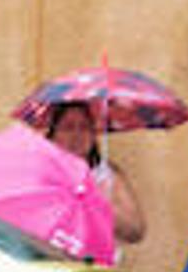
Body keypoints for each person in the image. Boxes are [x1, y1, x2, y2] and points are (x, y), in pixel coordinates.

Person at [41, 101, 148, 250]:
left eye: (84, 127)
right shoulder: (40, 174)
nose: (76, 135)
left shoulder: (106, 175)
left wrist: (101, 204)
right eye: (68, 127)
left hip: (96, 266)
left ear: (93, 136)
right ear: (53, 135)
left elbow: (136, 231)